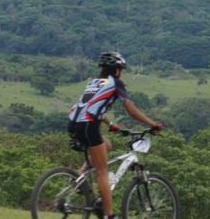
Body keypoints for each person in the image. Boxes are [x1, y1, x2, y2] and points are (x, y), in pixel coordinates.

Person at [68, 52, 163, 219]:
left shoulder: (94, 83)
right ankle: (109, 215)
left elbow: (87, 106)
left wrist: (111, 125)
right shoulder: (116, 83)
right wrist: (152, 124)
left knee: (106, 145)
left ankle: (80, 178)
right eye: (121, 69)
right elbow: (130, 109)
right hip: (89, 126)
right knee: (102, 171)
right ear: (117, 70)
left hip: (74, 124)